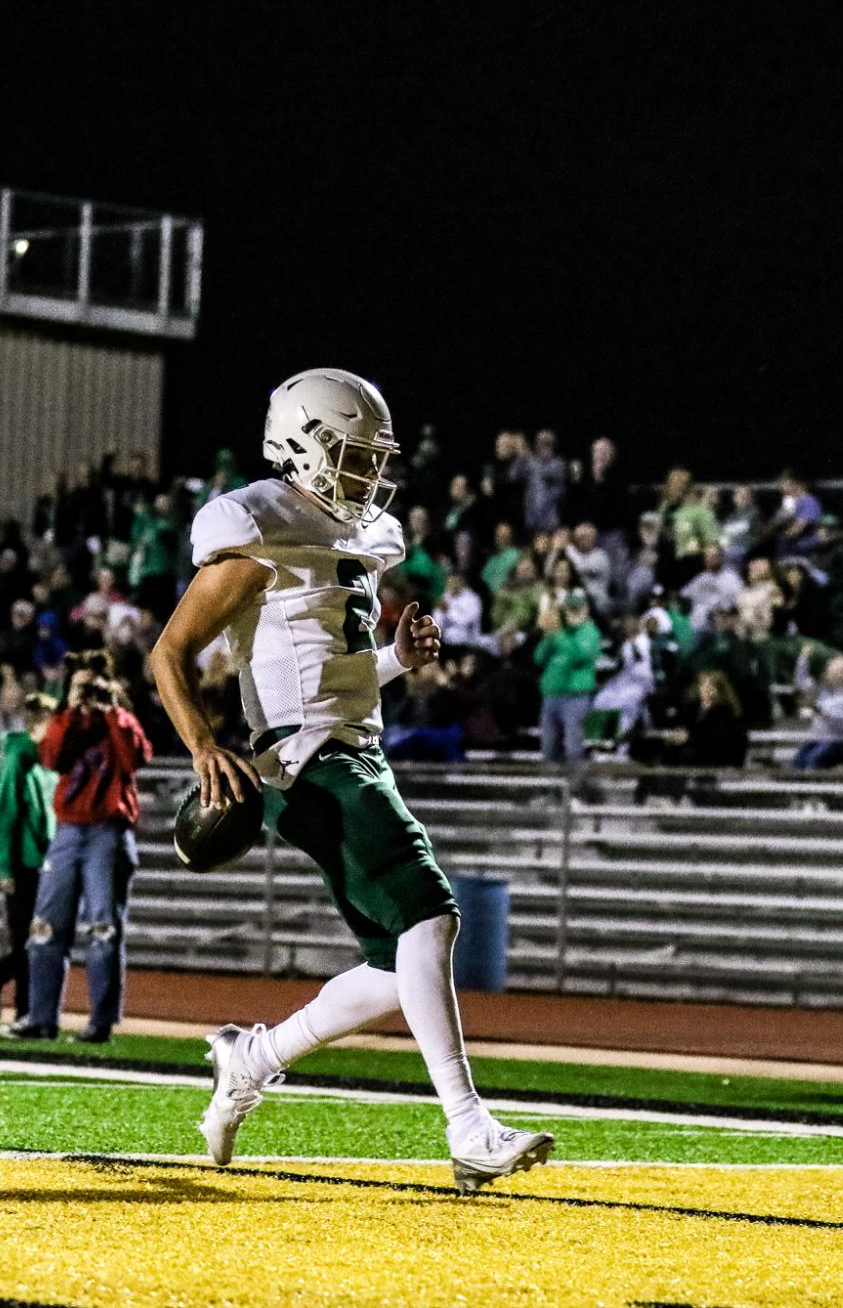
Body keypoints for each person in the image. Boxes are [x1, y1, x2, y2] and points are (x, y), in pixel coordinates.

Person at [149, 367, 553, 1195]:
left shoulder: (358, 533)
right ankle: (469, 1127)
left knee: (388, 960)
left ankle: (250, 1057)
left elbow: (331, 671)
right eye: (351, 452)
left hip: (350, 746)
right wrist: (200, 745)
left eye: (374, 456)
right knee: (430, 912)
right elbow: (169, 653)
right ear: (300, 445)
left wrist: (396, 662)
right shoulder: (258, 526)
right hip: (306, 760)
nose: (367, 471)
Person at [4, 650, 152, 1043]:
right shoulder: (64, 720)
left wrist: (111, 710)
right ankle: (41, 1018)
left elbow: (136, 757)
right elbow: (51, 757)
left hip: (108, 830)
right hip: (68, 829)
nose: (83, 693)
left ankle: (100, 1024)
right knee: (46, 927)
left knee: (104, 929)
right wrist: (71, 711)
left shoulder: (119, 718)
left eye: (90, 686)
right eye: (78, 686)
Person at [0, 693, 60, 1026]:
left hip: (45, 862)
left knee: (39, 937)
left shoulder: (47, 760)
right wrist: (5, 866)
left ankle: (2, 980)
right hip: (26, 863)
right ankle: (24, 1010)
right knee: (30, 939)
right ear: (38, 725)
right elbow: (5, 814)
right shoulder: (20, 759)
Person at [534, 589, 602, 764]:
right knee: (548, 749)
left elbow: (580, 655)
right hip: (551, 695)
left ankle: (576, 789)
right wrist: (548, 637)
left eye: (577, 609)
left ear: (586, 610)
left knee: (573, 748)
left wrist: (558, 636)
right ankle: (550, 790)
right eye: (569, 609)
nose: (573, 613)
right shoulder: (559, 632)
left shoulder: (590, 631)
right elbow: (539, 658)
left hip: (575, 698)